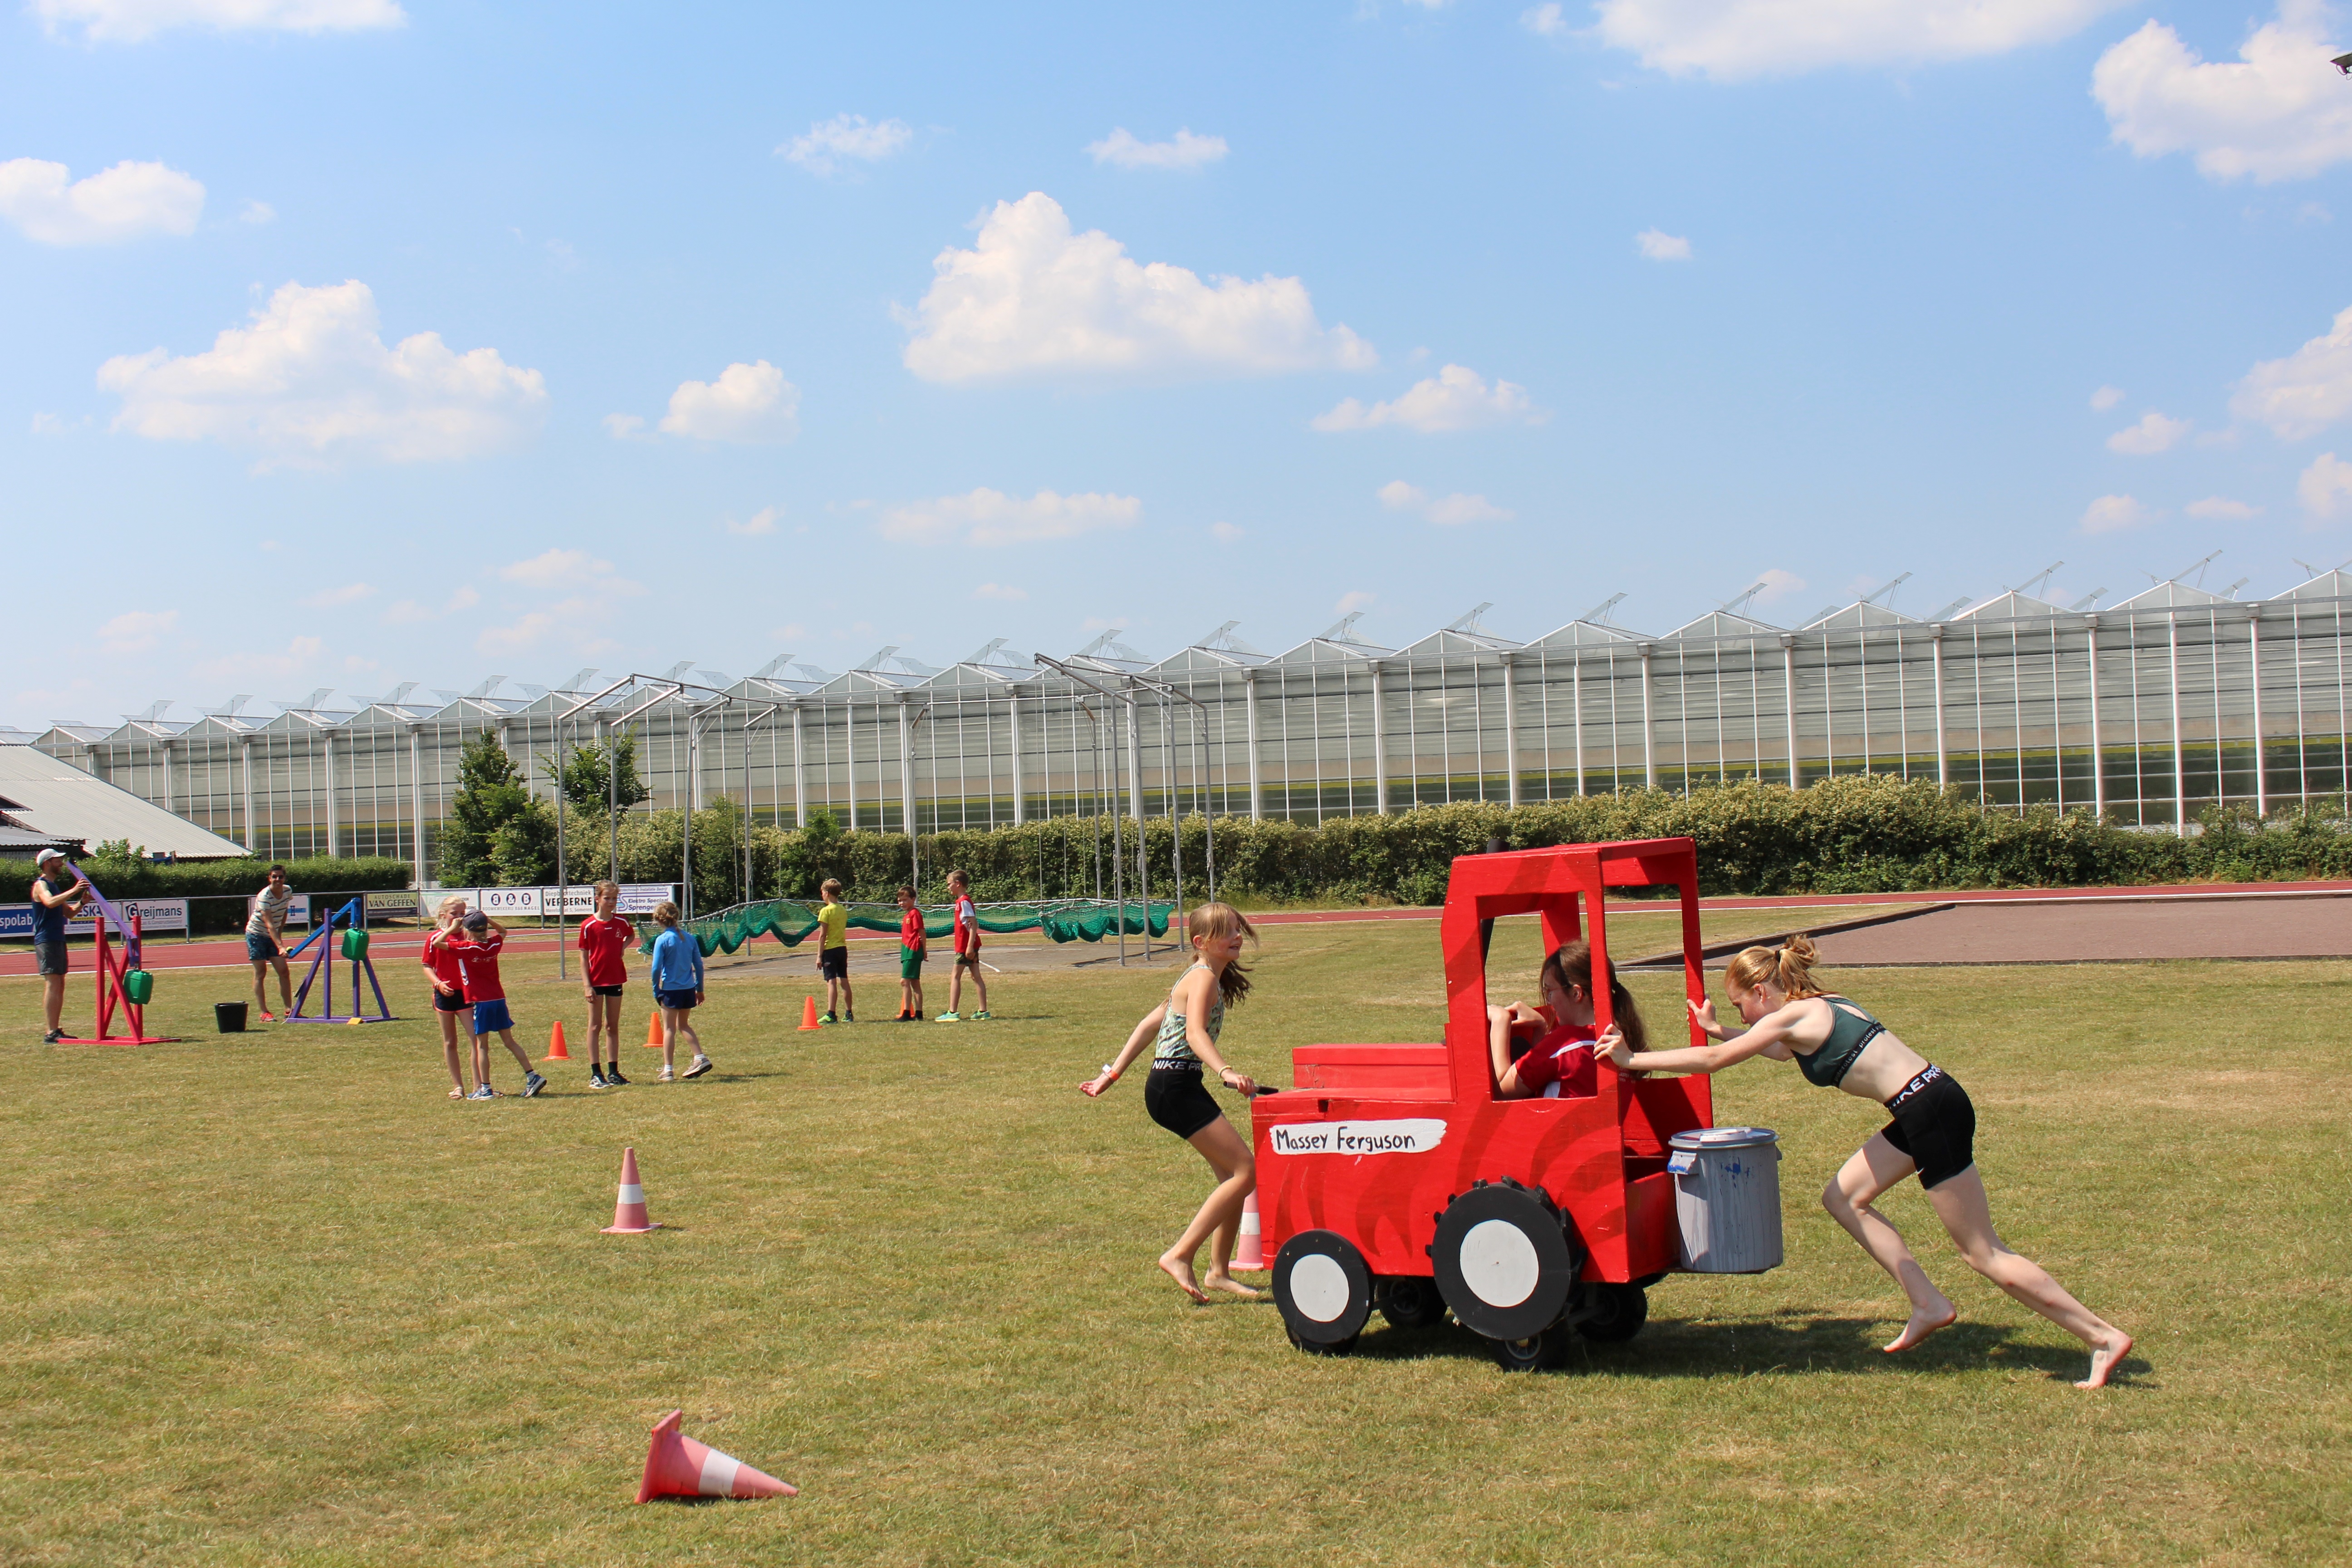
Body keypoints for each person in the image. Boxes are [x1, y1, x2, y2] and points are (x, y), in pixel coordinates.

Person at [1597, 934, 2133, 1390]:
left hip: (1929, 1114)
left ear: (1762, 992)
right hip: (1927, 1102)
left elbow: (1716, 1063)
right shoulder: (1819, 1006)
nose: (1742, 1016)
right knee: (1843, 1197)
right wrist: (1723, 1030)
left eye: (1741, 1007)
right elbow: (1777, 1049)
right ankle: (1927, 1303)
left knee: (1983, 1253)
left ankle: (2102, 1337)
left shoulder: (1794, 1016)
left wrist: (1631, 1059)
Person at [1079, 902, 1263, 1304]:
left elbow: (1150, 1024)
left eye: (1238, 929)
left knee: (1233, 1178)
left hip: (1176, 1084)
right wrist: (1226, 1071)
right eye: (1227, 931)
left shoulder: (1199, 975)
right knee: (1245, 1171)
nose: (1237, 936)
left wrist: (1110, 1076)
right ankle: (1179, 1255)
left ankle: (1218, 1273)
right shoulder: (1203, 978)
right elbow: (1195, 1034)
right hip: (1175, 1086)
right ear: (1201, 942)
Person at [1485, 941, 1638, 1100]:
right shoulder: (1620, 1037)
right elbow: (1549, 1067)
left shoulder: (1566, 1041)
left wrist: (1501, 1021)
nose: (1549, 1000)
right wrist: (1542, 1027)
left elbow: (1502, 1091)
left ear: (1576, 994)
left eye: (1550, 991)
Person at [435, 911, 546, 1099]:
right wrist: (489, 920)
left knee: (482, 1046)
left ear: (467, 931)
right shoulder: (493, 944)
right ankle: (532, 1075)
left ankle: (485, 1089)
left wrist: (452, 929)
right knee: (509, 1041)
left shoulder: (466, 947)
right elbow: (503, 932)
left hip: (480, 1001)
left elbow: (437, 943)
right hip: (498, 999)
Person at [577, 881, 635, 1088]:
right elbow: (584, 957)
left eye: (614, 898)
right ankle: (596, 1073)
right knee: (595, 1026)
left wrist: (623, 947)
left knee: (612, 1026)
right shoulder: (588, 926)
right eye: (607, 898)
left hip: (615, 979)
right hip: (596, 981)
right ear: (598, 899)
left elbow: (631, 934)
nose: (611, 902)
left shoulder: (621, 922)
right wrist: (587, 985)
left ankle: (614, 1072)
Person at [647, 901, 710, 1081]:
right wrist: (699, 989)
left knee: (669, 1029)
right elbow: (699, 965)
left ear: (659, 920)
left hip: (671, 989)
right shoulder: (689, 938)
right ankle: (699, 1057)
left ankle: (668, 1069)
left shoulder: (663, 940)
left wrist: (656, 989)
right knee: (683, 1025)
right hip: (688, 989)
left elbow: (656, 968)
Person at [29, 848, 85, 1043]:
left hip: (58, 938)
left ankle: (55, 1030)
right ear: (47, 864)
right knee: (53, 983)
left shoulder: (54, 886)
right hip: (47, 939)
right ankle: (51, 1032)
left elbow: (69, 913)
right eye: (57, 860)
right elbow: (50, 903)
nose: (61, 863)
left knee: (60, 983)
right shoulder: (41, 885)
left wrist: (82, 902)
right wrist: (74, 890)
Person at [421, 895, 473, 1098]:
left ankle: (480, 1085)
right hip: (444, 994)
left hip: (466, 994)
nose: (459, 917)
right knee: (450, 1041)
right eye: (454, 914)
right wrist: (438, 984)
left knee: (476, 1039)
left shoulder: (469, 936)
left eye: (463, 913)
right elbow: (427, 965)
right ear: (444, 915)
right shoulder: (435, 938)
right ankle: (458, 1086)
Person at [936, 868, 990, 1022]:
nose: (948, 887)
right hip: (967, 945)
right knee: (976, 976)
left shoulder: (964, 902)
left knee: (955, 976)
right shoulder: (961, 902)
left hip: (965, 946)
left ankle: (953, 1012)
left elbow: (974, 924)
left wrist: (969, 947)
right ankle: (983, 1011)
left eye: (950, 884)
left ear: (958, 884)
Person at [245, 864, 295, 1022]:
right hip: (256, 935)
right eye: (274, 877)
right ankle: (264, 1012)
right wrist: (280, 946)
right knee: (261, 973)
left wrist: (279, 936)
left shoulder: (287, 891)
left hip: (272, 935)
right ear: (269, 879)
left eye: (281, 877)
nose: (278, 880)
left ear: (284, 878)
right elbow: (269, 924)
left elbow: (284, 912)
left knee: (284, 971)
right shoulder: (264, 896)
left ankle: (289, 1010)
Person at [815, 878, 853, 1024]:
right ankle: (849, 1013)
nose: (822, 895)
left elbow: (823, 935)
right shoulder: (842, 910)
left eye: (823, 892)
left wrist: (819, 956)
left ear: (828, 893)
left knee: (831, 982)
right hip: (842, 948)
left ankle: (831, 1014)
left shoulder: (826, 911)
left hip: (830, 949)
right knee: (844, 981)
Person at [894, 885, 926, 1022]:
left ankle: (907, 1013)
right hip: (907, 950)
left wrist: (924, 950)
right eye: (900, 900)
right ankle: (919, 1013)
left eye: (905, 900)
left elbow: (922, 932)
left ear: (913, 900)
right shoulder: (907, 915)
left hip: (913, 951)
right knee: (915, 983)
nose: (902, 903)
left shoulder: (915, 914)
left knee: (904, 981)